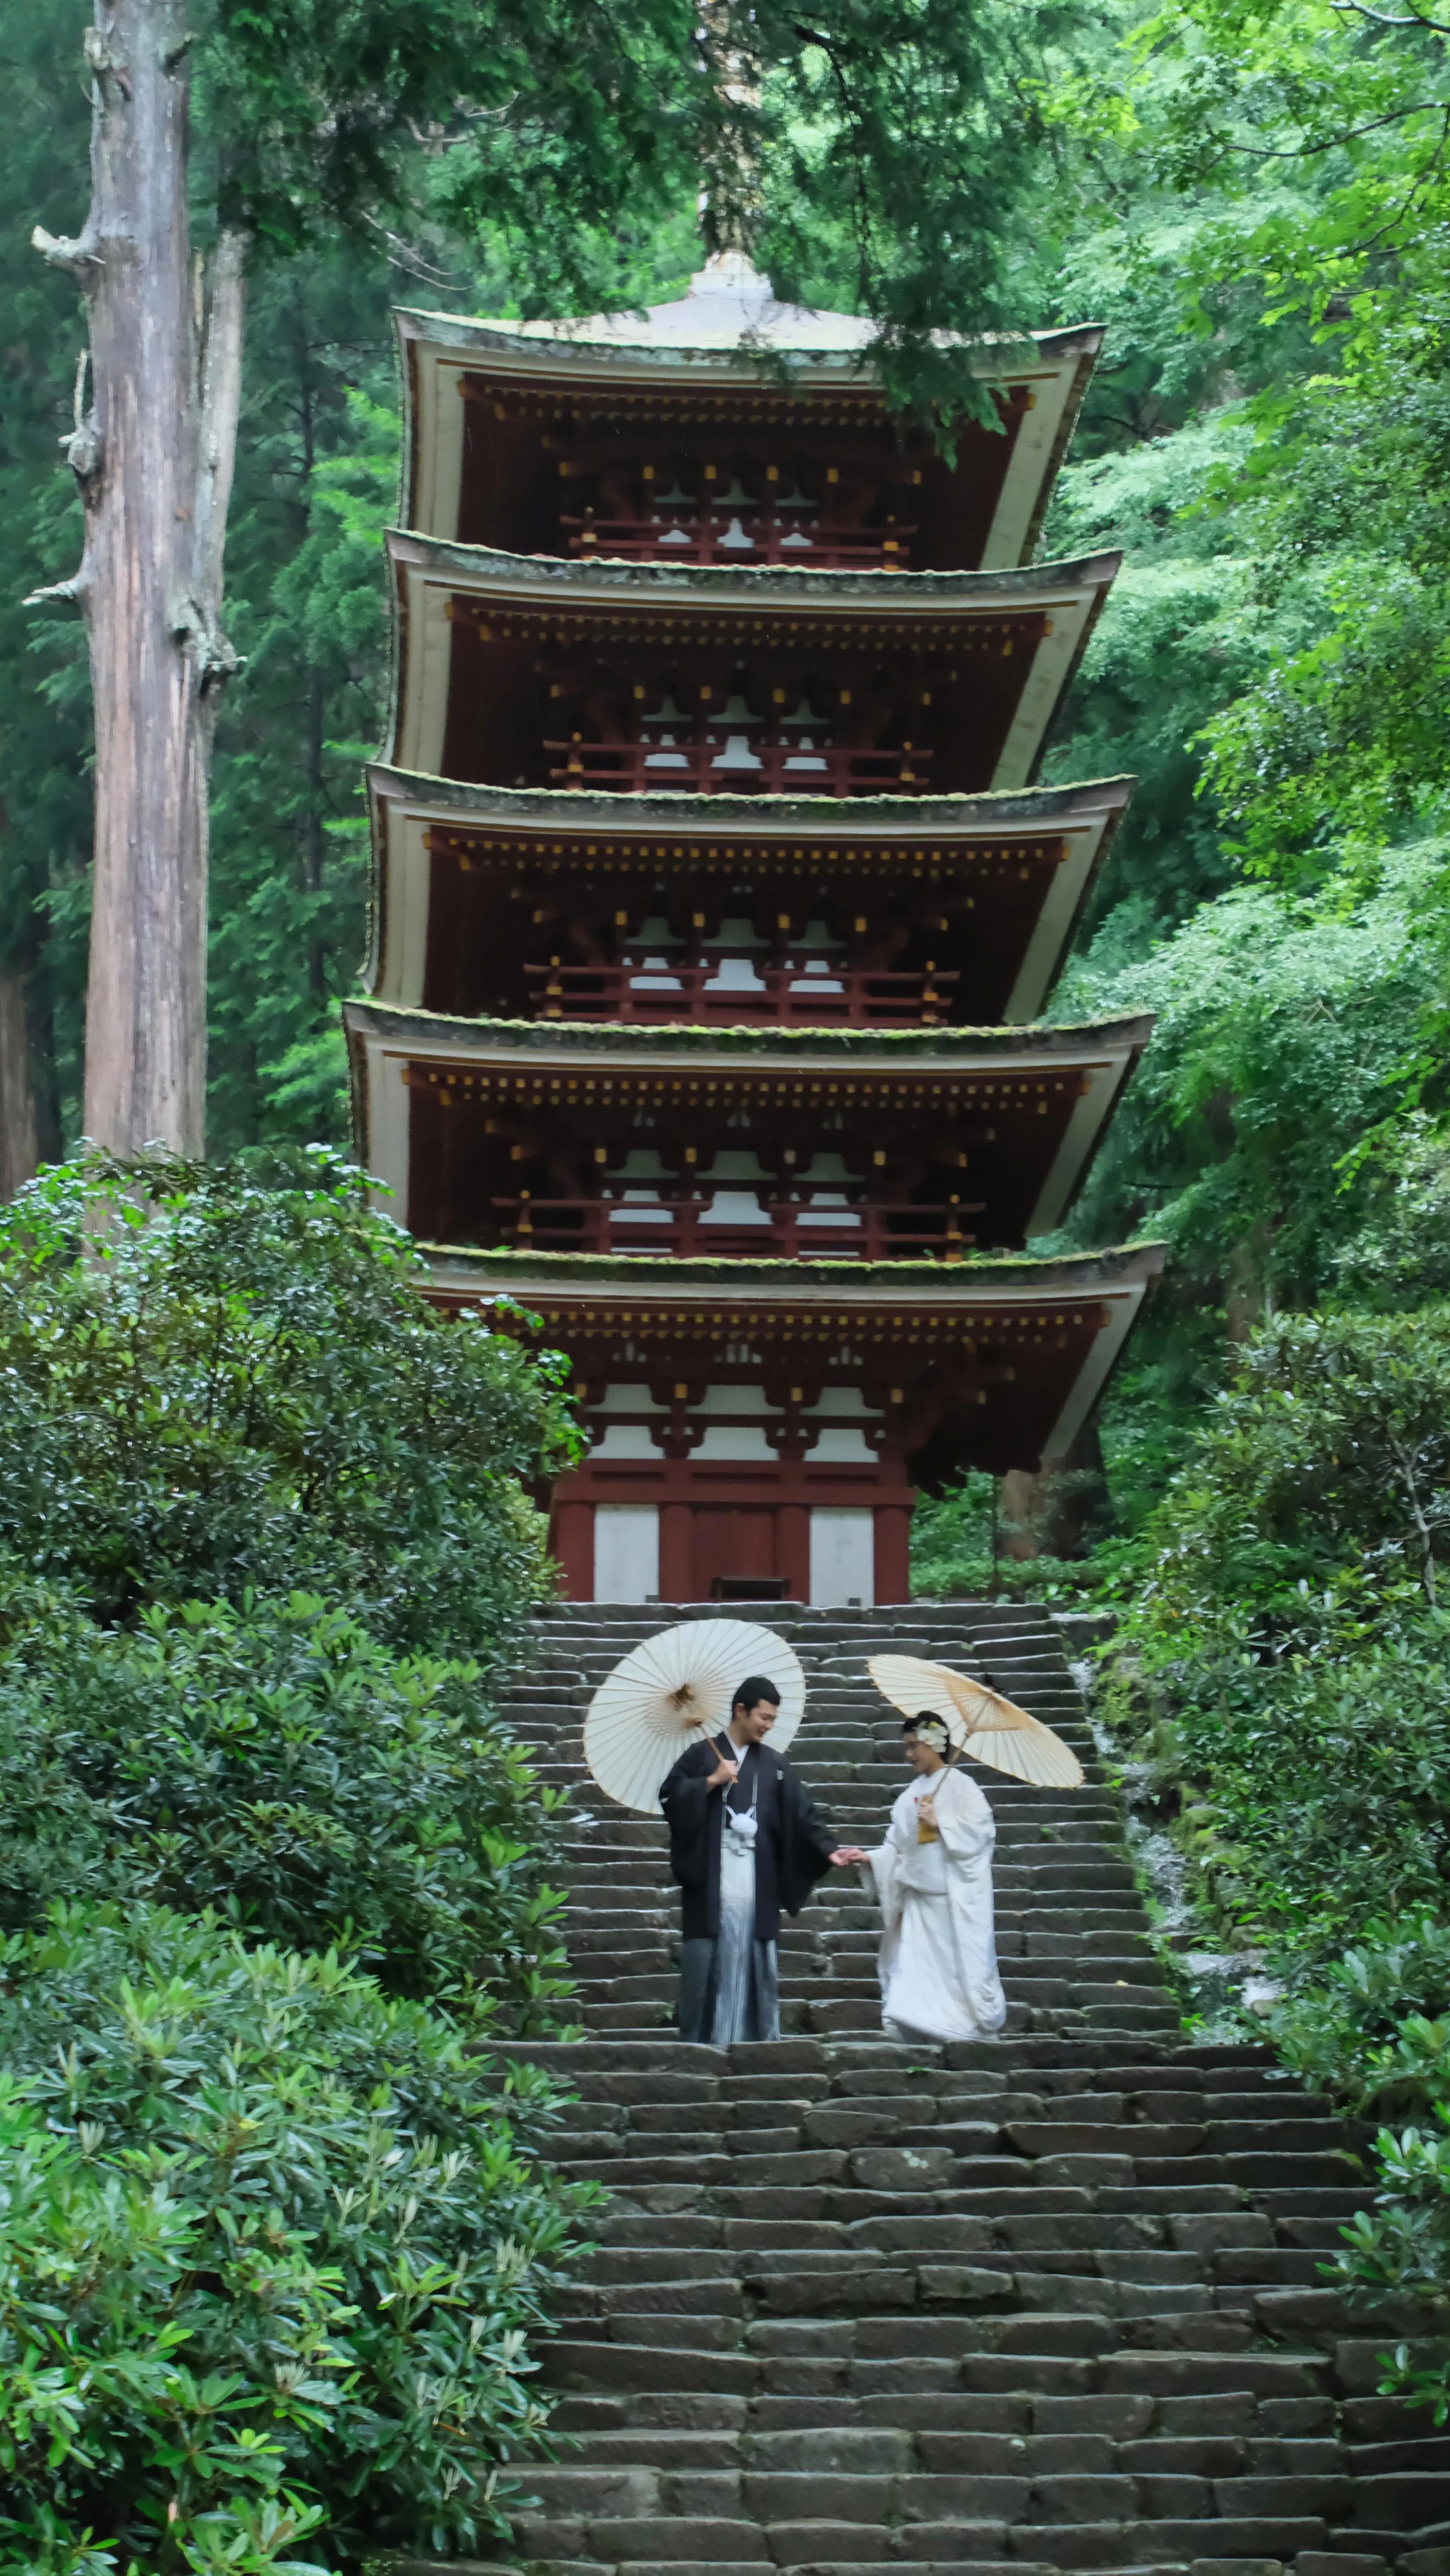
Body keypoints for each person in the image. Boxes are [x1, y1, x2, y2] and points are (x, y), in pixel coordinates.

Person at [660, 1673, 868, 2046]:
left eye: (773, 1720)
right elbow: (671, 1800)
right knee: (709, 1953)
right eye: (764, 1718)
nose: (769, 1726)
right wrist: (711, 1780)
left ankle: (754, 2039)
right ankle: (703, 2041)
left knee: (755, 1953)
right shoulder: (700, 1756)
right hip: (713, 1874)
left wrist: (828, 1848)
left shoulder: (775, 1765)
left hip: (757, 1875)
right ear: (741, 1711)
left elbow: (802, 1814)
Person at [862, 1711, 1007, 2044]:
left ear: (934, 1744)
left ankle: (961, 2027)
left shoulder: (961, 1785)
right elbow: (895, 1846)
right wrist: (868, 1857)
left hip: (949, 1898)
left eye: (914, 1746)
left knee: (953, 1970)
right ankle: (919, 2024)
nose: (909, 1753)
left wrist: (942, 1822)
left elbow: (983, 1831)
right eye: (907, 1747)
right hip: (918, 1897)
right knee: (916, 1968)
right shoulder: (908, 1796)